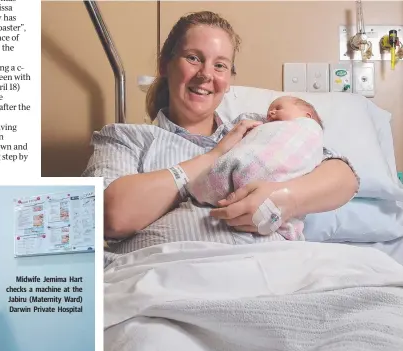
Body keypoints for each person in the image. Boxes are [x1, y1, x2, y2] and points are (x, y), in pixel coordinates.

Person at [83, 11, 359, 265]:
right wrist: (213, 157)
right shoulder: (125, 139)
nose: (205, 75)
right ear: (164, 66)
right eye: (193, 58)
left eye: (220, 66)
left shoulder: (258, 126)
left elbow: (343, 177)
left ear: (229, 79)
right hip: (168, 281)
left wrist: (285, 198)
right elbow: (109, 216)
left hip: (275, 272)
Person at [187, 96, 326, 240]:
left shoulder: (310, 135)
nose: (271, 113)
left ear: (307, 116)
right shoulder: (246, 125)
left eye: (278, 108)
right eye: (270, 110)